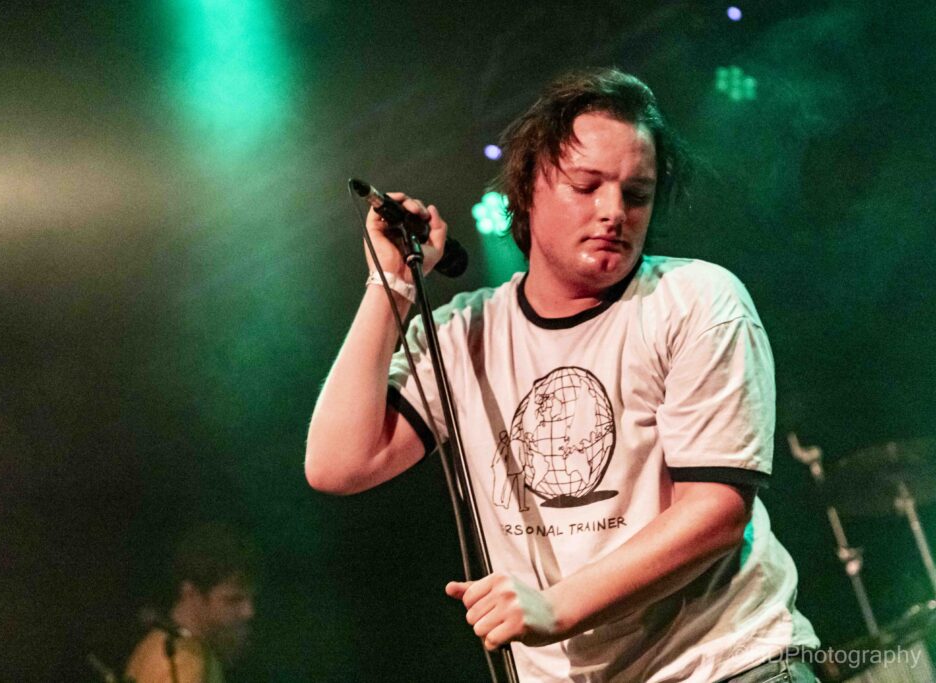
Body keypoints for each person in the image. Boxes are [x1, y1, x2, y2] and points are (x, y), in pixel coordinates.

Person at [305, 68, 820, 682]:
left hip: (726, 665)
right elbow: (338, 463)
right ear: (526, 189)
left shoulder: (695, 298)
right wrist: (390, 283)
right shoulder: (464, 334)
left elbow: (715, 511)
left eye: (637, 194)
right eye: (586, 185)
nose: (614, 212)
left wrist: (555, 608)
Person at [125, 523, 255, 683]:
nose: (248, 611)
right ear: (191, 594)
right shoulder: (183, 664)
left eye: (250, 598)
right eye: (233, 600)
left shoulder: (155, 644)